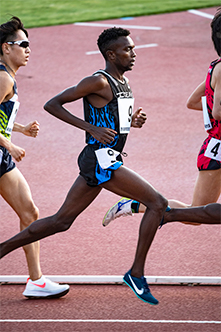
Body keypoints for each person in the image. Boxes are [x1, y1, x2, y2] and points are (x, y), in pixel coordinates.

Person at [0, 27, 169, 305]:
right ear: (110, 54)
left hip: (103, 159)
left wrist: (133, 122)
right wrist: (90, 127)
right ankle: (135, 274)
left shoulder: (122, 82)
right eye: (127, 49)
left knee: (61, 221)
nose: (133, 53)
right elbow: (52, 104)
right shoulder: (98, 82)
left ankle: (3, 249)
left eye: (133, 48)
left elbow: (113, 122)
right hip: (100, 160)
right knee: (158, 203)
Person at [102, 8, 221, 227]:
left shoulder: (215, 68)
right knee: (197, 216)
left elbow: (194, 102)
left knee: (196, 215)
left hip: (215, 144)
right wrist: (215, 120)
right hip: (217, 149)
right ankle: (138, 205)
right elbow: (218, 111)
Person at [0, 16, 69, 299]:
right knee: (30, 212)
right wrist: (9, 145)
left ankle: (36, 281)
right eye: (23, 44)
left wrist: (20, 129)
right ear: (6, 48)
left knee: (29, 212)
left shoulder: (8, 76)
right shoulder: (3, 77)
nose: (28, 49)